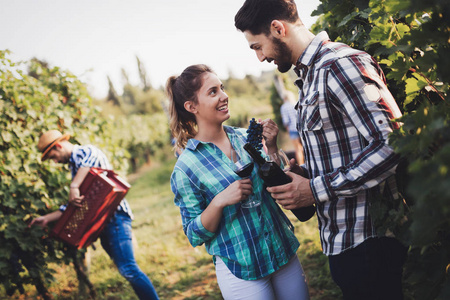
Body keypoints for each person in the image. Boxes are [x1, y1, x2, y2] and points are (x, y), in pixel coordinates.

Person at [235, 1, 408, 299]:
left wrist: (315, 188)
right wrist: (304, 176)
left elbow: (391, 143)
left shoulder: (339, 64)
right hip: (344, 241)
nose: (260, 57)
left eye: (257, 46)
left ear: (278, 28)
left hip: (369, 241)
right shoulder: (313, 75)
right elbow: (345, 148)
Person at [168, 64, 309, 300]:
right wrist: (219, 202)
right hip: (241, 268)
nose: (224, 96)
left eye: (222, 88)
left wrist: (272, 147)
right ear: (191, 107)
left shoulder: (246, 137)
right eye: (213, 92)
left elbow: (277, 184)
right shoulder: (186, 168)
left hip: (280, 249)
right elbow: (194, 234)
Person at [30, 130, 159, 300]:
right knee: (126, 269)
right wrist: (47, 218)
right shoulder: (74, 166)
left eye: (52, 156)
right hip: (103, 225)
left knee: (128, 269)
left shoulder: (85, 152)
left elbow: (93, 157)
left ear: (59, 146)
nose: (54, 161)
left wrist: (73, 186)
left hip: (115, 219)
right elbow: (77, 204)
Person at [280, 90, 304, 164]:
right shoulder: (295, 103)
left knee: (297, 149)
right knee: (305, 147)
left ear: (284, 98)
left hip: (292, 129)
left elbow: (286, 121)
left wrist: (288, 130)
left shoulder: (284, 107)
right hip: (301, 128)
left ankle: (302, 166)